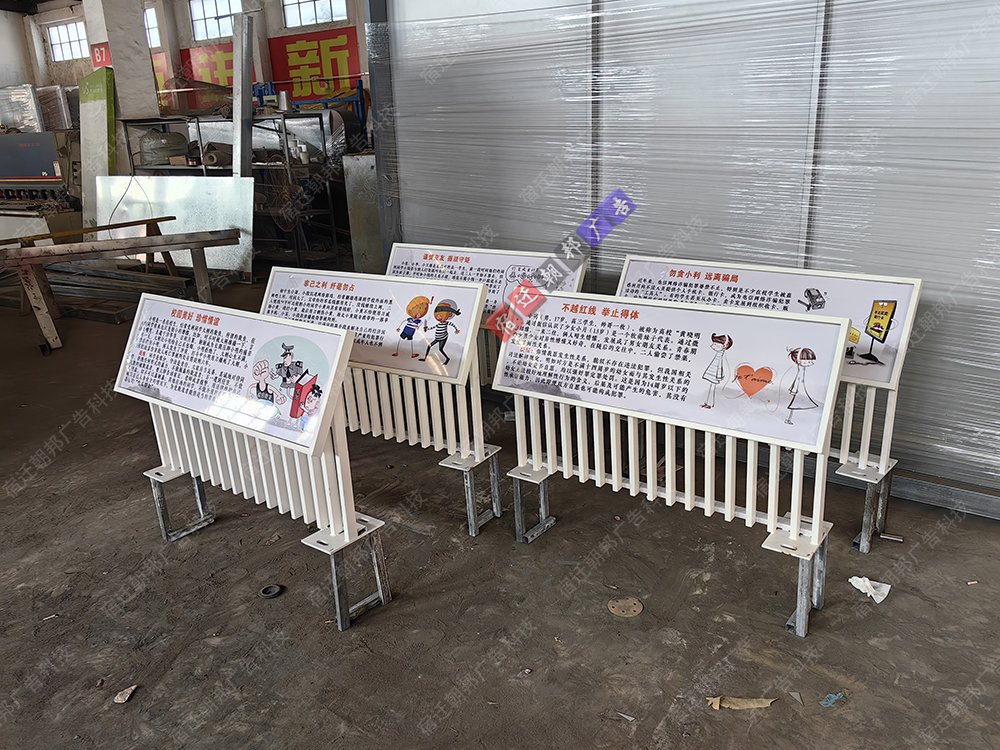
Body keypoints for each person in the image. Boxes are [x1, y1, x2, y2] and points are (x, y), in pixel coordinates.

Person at [420, 299, 461, 366]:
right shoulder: (439, 324)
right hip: (437, 338)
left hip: (443, 337)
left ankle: (447, 358)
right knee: (429, 346)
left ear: (450, 314)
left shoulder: (446, 323)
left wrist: (456, 330)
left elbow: (452, 324)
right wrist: (427, 329)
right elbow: (434, 327)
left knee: (440, 349)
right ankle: (425, 358)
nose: (438, 315)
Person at [785, 347, 819, 425]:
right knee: (795, 405)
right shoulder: (800, 370)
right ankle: (789, 419)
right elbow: (798, 379)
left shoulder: (802, 369)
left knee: (797, 405)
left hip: (801, 389)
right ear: (799, 361)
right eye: (809, 361)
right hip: (799, 390)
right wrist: (793, 389)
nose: (811, 363)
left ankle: (791, 419)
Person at [701, 333, 733, 409]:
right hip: (713, 371)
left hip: (715, 373)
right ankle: (707, 403)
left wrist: (718, 375)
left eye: (716, 344)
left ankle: (710, 404)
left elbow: (719, 365)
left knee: (712, 388)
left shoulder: (720, 355)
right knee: (711, 387)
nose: (712, 346)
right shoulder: (719, 354)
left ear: (724, 346)